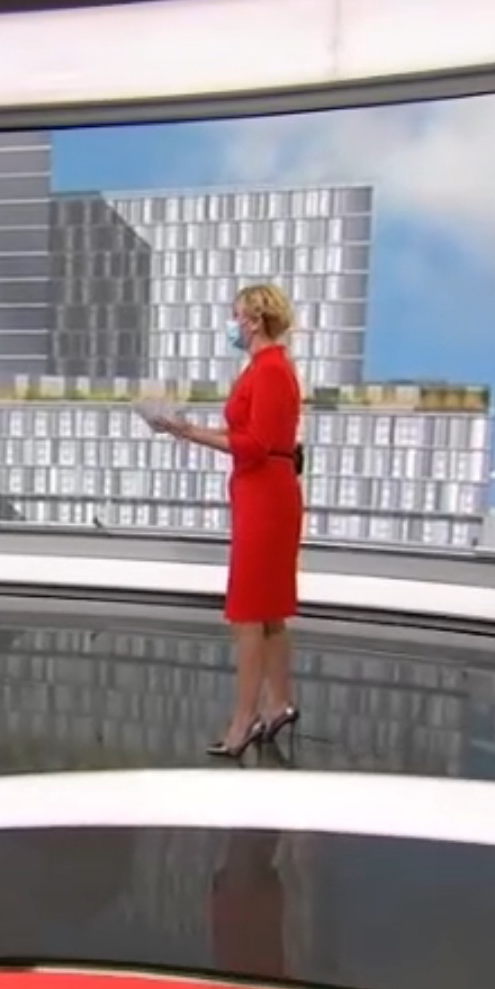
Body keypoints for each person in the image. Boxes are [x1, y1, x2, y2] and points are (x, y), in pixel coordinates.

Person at [153, 283, 303, 756]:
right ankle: (278, 704)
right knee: (268, 609)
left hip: (266, 495)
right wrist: (186, 428)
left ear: (255, 320)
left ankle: (245, 719)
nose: (233, 324)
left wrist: (191, 433)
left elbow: (255, 445)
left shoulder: (271, 369)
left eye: (237, 315)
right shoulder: (263, 368)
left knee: (249, 612)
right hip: (260, 490)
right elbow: (246, 432)